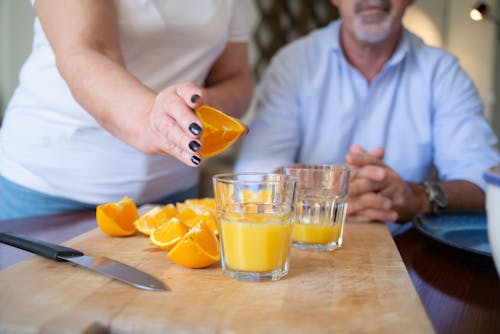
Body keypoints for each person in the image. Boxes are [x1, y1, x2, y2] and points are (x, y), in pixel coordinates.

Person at [234, 0, 500, 223]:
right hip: (305, 251)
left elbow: (484, 182)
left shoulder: (443, 73)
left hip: (412, 255)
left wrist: (417, 196)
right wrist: (325, 187)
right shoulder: (292, 64)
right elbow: (252, 176)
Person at [0, 0, 253, 219]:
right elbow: (87, 52)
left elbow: (234, 76)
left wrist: (195, 109)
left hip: (172, 194)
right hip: (47, 191)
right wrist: (153, 121)